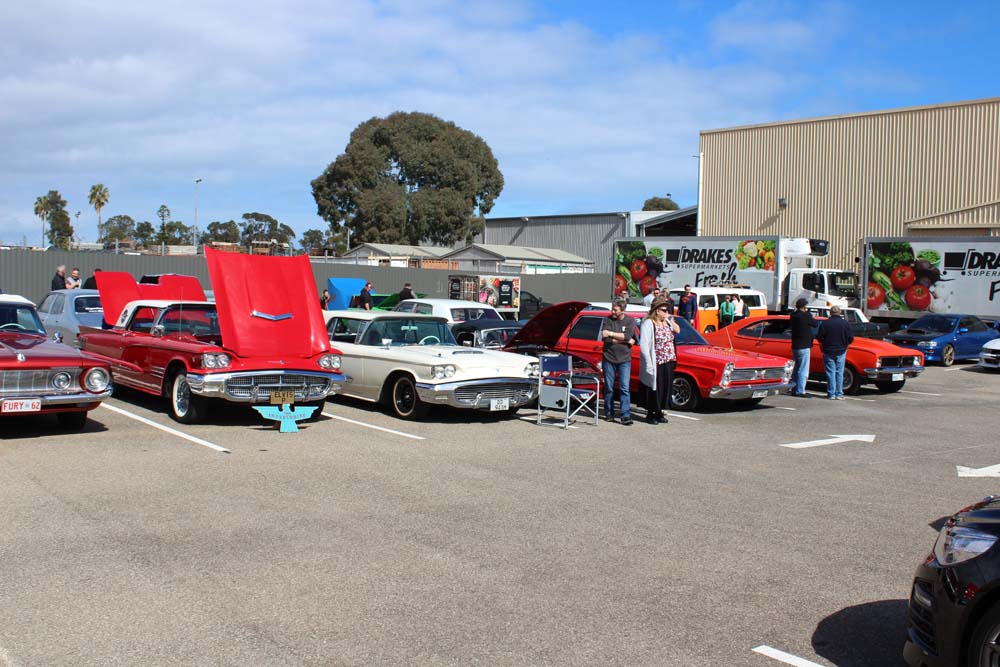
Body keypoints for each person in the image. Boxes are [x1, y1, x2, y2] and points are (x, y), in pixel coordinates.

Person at [639, 298, 681, 425]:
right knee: (655, 388)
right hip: (656, 362)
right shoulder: (648, 323)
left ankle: (659, 412)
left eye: (667, 310)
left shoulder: (666, 322)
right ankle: (651, 413)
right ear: (657, 311)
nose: (666, 312)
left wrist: (670, 319)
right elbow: (644, 345)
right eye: (664, 310)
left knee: (665, 388)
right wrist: (648, 363)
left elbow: (678, 330)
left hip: (668, 360)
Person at [601, 300, 637, 425]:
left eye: (615, 310)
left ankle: (625, 415)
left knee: (624, 388)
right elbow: (605, 338)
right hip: (609, 358)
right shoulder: (607, 320)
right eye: (612, 309)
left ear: (622, 310)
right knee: (609, 387)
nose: (613, 312)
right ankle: (609, 413)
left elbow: (628, 336)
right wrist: (624, 340)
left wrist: (612, 334)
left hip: (624, 360)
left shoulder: (630, 321)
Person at [816, 305, 855, 400]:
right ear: (840, 312)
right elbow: (850, 338)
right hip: (841, 350)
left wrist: (823, 346)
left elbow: (820, 337)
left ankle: (831, 394)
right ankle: (839, 394)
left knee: (830, 372)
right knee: (839, 372)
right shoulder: (845, 323)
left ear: (830, 313)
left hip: (828, 350)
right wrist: (846, 345)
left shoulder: (825, 323)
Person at [787, 298, 818, 397]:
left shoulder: (793, 315)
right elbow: (815, 324)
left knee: (796, 368)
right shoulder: (805, 316)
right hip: (804, 345)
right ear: (804, 307)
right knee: (803, 369)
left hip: (795, 345)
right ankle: (800, 390)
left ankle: (793, 388)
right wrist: (808, 314)